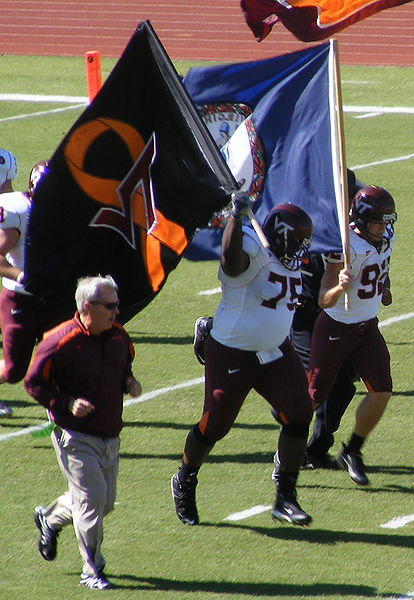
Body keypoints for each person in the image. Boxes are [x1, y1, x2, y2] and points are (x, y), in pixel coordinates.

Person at [172, 192, 314, 527]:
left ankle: (286, 496)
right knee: (215, 426)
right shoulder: (251, 247)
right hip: (233, 350)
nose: (302, 251)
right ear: (279, 239)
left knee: (299, 413)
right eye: (297, 243)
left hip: (276, 350)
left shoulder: (288, 258)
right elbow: (229, 260)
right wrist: (235, 217)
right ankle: (185, 478)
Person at [24, 275, 142, 590]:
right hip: (73, 434)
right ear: (87, 307)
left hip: (110, 433)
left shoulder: (118, 335)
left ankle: (50, 518)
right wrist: (66, 403)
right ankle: (92, 569)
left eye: (117, 305)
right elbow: (34, 383)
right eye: (110, 306)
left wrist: (129, 382)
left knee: (103, 504)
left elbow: (124, 364)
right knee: (91, 500)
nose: (117, 312)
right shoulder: (58, 340)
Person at [308, 185, 397, 486]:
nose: (384, 228)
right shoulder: (344, 245)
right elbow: (324, 300)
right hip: (336, 326)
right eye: (378, 222)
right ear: (360, 221)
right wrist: (339, 287)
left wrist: (383, 287)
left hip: (366, 326)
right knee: (313, 397)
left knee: (382, 391)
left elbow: (382, 265)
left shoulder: (384, 238)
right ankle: (287, 456)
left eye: (387, 222)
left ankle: (353, 451)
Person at [0, 158, 73, 417]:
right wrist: (21, 275)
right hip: (20, 300)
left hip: (54, 299)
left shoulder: (70, 210)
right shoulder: (18, 210)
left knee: (61, 358)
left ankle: (62, 413)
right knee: (13, 370)